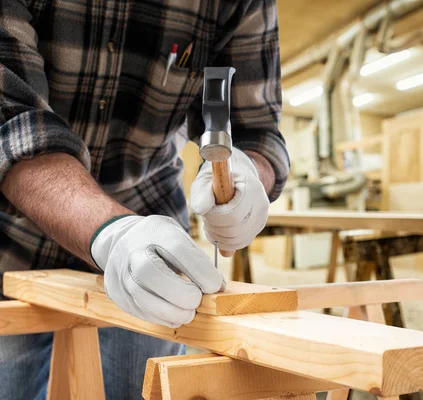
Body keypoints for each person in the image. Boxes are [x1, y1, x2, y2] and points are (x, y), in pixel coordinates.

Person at [0, 0, 289, 398]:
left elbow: (255, 128)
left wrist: (251, 170)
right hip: (13, 237)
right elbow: (9, 118)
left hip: (149, 251)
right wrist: (110, 232)